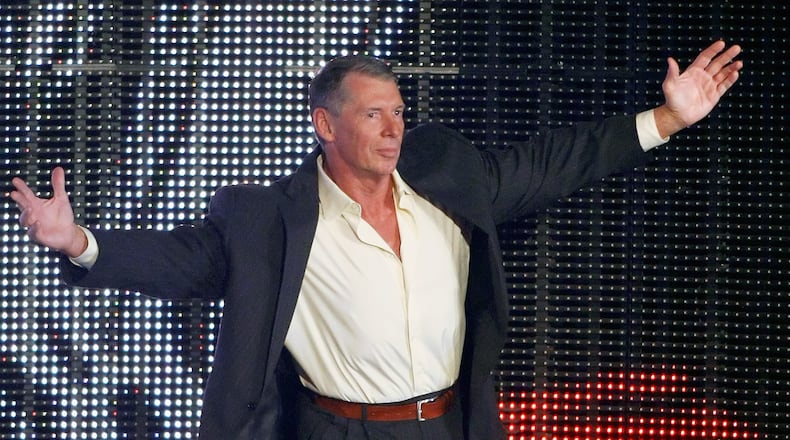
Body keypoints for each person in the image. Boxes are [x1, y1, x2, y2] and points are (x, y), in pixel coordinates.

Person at [9, 40, 742, 439]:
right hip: (339, 430)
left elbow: (550, 165)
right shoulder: (267, 221)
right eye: (374, 115)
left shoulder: (449, 180)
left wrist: (667, 120)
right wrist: (79, 241)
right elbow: (175, 262)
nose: (394, 128)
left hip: (450, 422)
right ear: (326, 126)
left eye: (398, 111)